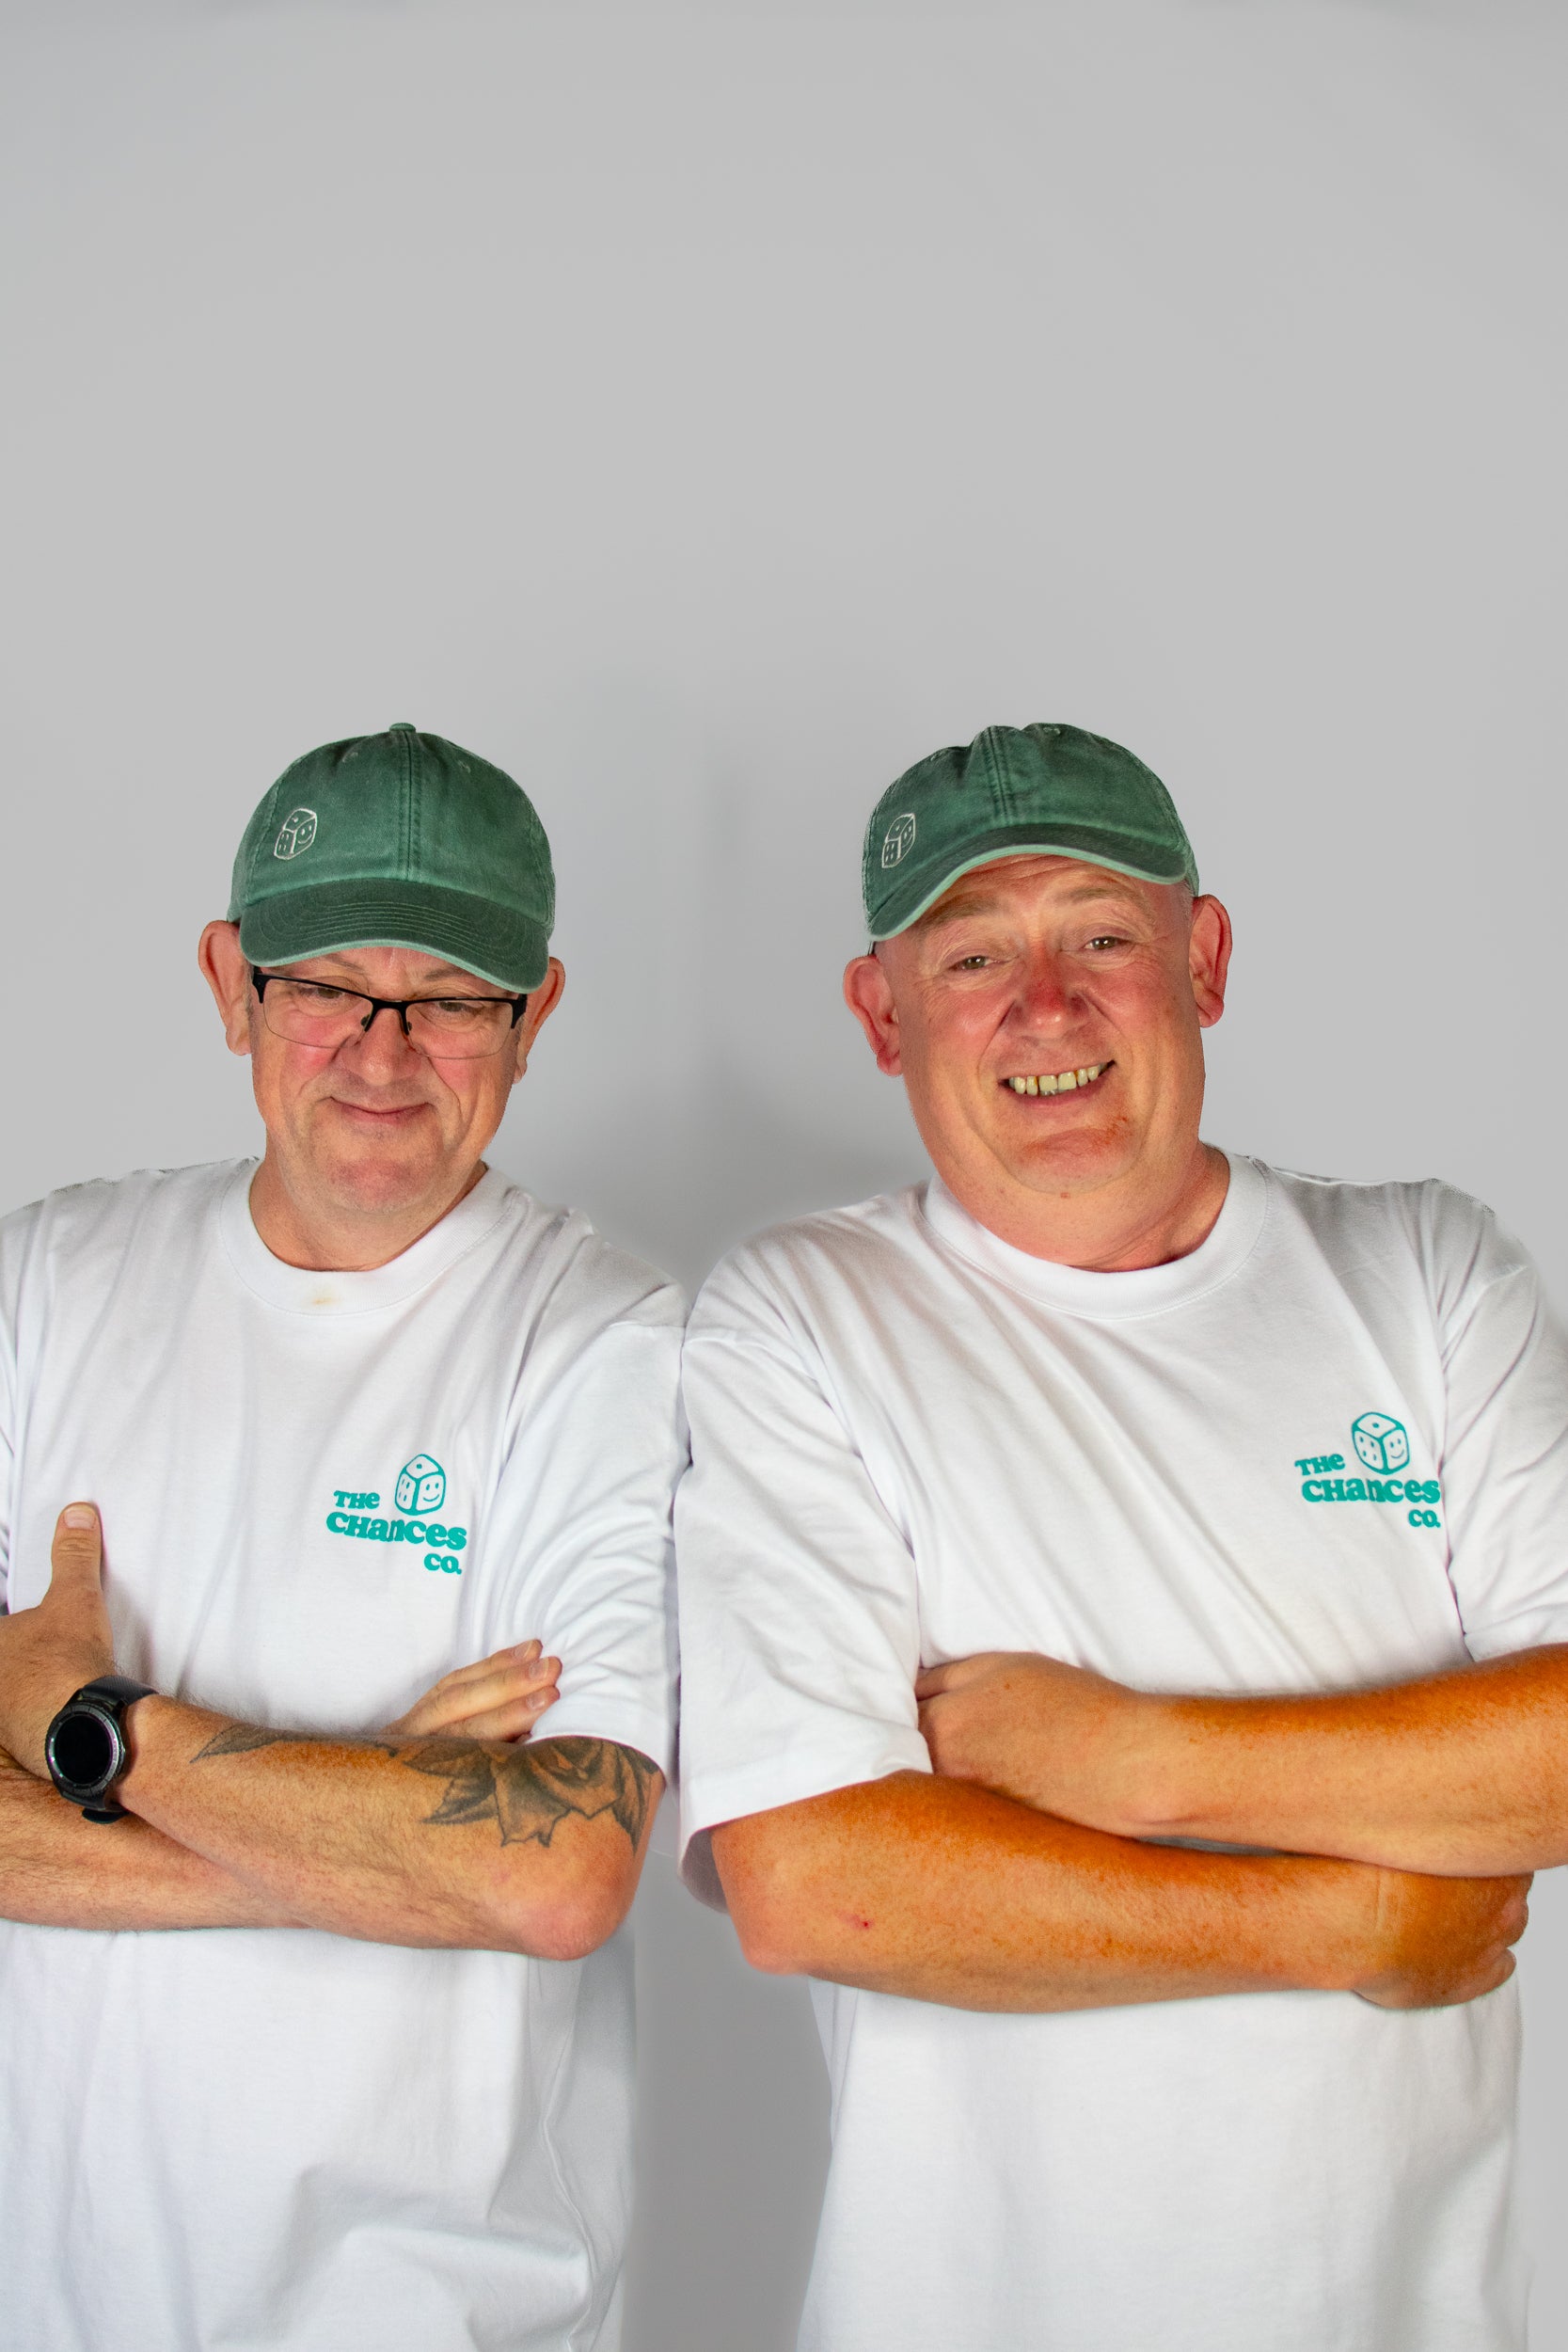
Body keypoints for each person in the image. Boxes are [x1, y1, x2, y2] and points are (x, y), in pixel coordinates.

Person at [673, 720, 1565, 2352]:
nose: (1047, 1009)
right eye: (971, 956)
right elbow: (815, 1877)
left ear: (1204, 959)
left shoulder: (1427, 1277)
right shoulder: (802, 1320)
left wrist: (1142, 1758)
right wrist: (1338, 1921)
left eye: (1101, 934)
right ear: (882, 1015)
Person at [0, 723, 683, 2352]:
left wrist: (81, 1727)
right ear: (232, 982)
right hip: (60, 2298)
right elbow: (473, 1867)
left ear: (538, 1017)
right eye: (325, 987)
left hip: (448, 2309)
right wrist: (362, 1821)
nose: (382, 1053)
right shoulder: (42, 1286)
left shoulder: (605, 1341)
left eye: (451, 999)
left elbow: (563, 1872)